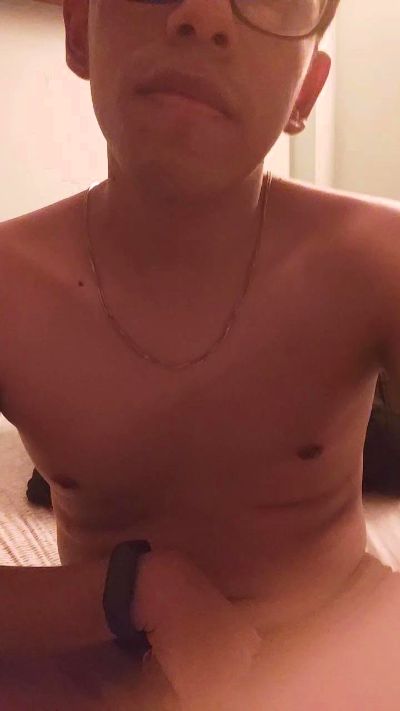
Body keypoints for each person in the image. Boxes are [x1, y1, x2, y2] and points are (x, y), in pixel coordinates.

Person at [2, 0, 400, 707]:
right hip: (102, 657)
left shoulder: (376, 259)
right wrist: (133, 591)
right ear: (80, 31)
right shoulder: (11, 286)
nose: (204, 13)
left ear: (305, 92)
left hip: (343, 649)